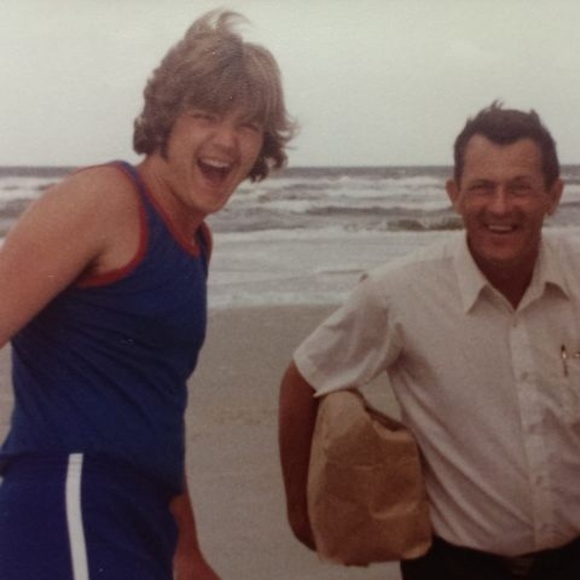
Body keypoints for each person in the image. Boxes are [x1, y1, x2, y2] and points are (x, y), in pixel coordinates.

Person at [0, 10, 295, 580]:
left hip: (141, 519)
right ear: (166, 120)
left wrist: (186, 551)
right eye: (205, 115)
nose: (226, 140)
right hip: (69, 502)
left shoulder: (194, 242)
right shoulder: (106, 198)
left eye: (248, 125)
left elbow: (157, 403)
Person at [279, 102, 580, 579]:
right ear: (454, 195)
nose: (500, 206)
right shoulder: (398, 293)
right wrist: (301, 514)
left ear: (553, 195)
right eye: (482, 187)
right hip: (453, 566)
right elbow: (304, 379)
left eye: (520, 187)